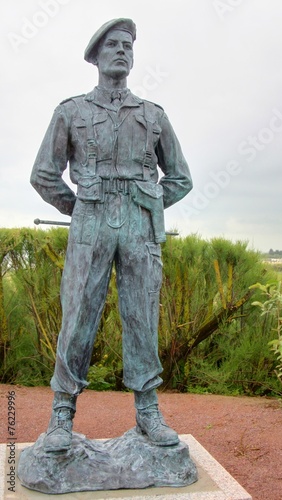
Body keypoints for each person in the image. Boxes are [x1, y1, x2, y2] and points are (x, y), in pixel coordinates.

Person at [30, 18, 192, 453]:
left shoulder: (153, 115)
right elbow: (43, 175)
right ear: (96, 56)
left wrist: (148, 203)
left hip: (140, 224)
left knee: (142, 314)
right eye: (113, 45)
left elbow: (179, 178)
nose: (122, 51)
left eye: (128, 45)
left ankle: (148, 410)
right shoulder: (71, 111)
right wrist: (79, 207)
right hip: (91, 221)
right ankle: (61, 412)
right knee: (78, 313)